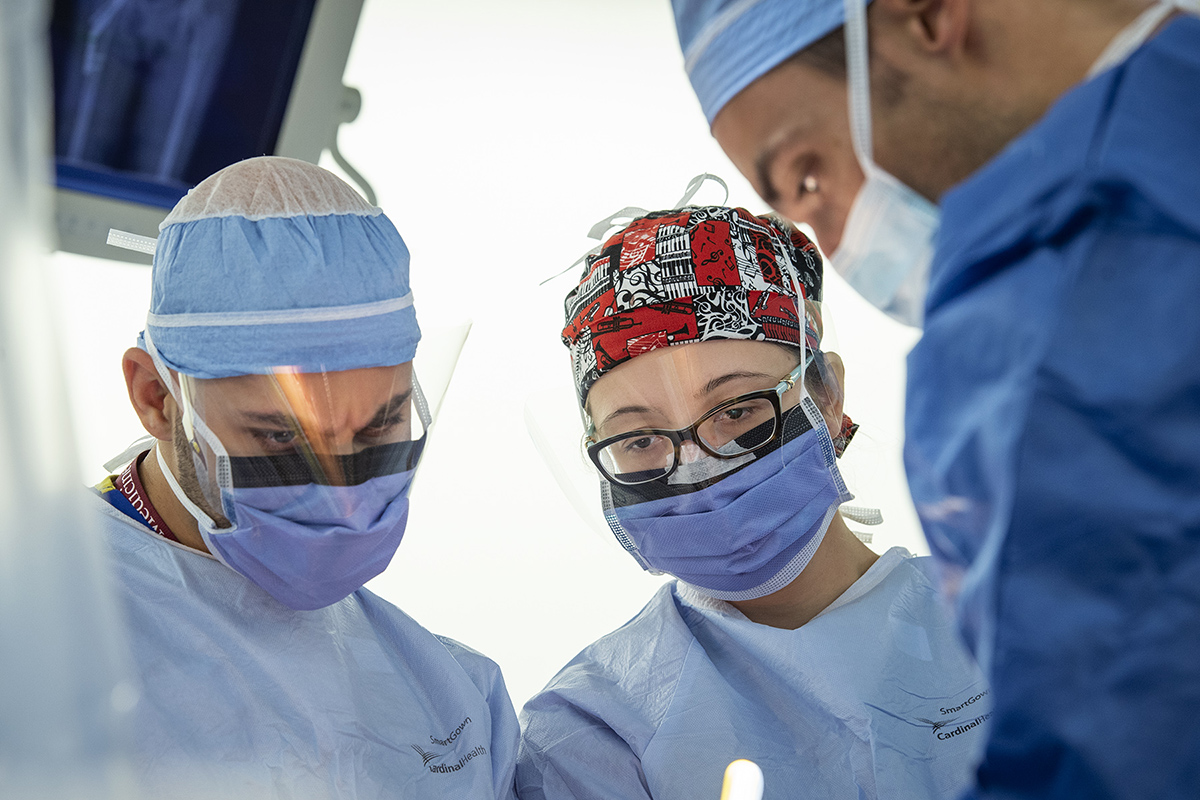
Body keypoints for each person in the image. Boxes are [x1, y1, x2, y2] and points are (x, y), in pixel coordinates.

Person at [669, 1, 1200, 798]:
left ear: (926, 16)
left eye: (809, 180)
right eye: (637, 438)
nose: (842, 246)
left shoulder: (1037, 333)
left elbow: (1116, 762)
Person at [516, 206, 989, 800]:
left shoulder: (1009, 622)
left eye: (737, 410)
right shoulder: (595, 726)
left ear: (827, 392)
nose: (699, 471)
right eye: (639, 439)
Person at [94, 156, 519, 798]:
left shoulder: (451, 696)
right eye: (282, 437)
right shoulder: (40, 626)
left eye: (378, 428)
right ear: (157, 397)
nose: (344, 499)